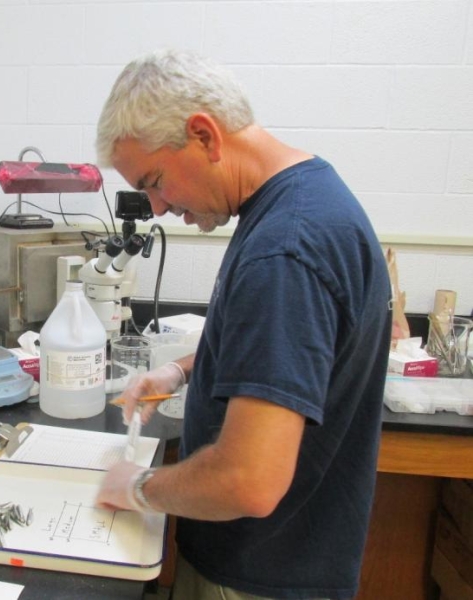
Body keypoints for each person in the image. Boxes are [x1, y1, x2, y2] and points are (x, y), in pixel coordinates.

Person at [94, 49, 392, 600]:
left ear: (205, 135)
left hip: (258, 577)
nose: (157, 208)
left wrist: (135, 486)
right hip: (290, 561)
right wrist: (179, 373)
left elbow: (246, 481)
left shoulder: (285, 250)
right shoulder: (304, 201)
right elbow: (283, 350)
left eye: (155, 181)